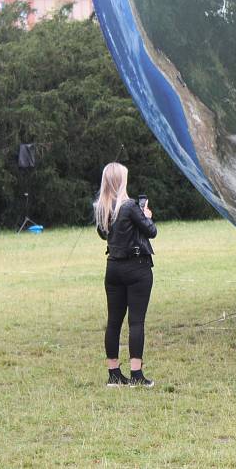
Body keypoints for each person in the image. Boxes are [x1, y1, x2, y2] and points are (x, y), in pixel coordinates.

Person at [94, 162, 157, 387]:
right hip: (136, 267)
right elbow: (152, 231)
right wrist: (147, 215)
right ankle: (136, 374)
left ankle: (113, 373)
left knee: (113, 322)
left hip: (113, 268)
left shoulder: (102, 207)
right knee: (136, 322)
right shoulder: (130, 207)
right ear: (122, 181)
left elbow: (104, 235)